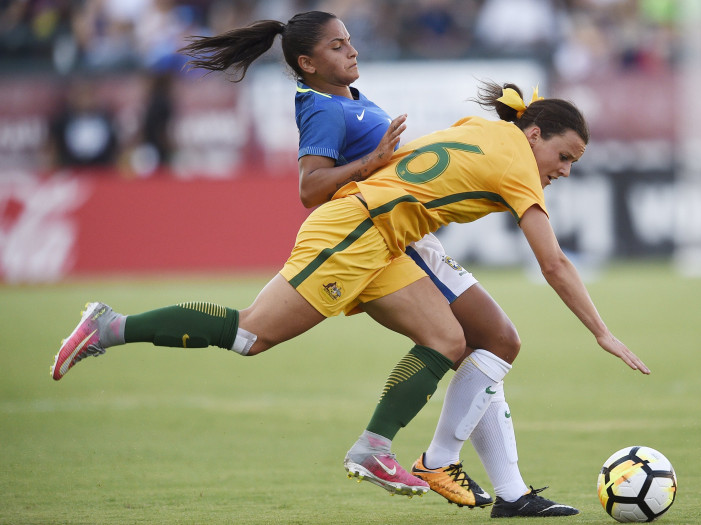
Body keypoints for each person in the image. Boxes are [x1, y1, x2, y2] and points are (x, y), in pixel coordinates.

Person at [50, 17, 650, 521]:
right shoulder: (500, 155)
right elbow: (553, 261)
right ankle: (111, 325)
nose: (564, 170)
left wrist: (384, 176)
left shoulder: (483, 129)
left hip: (391, 239)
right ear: (535, 133)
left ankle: (391, 453)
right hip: (358, 233)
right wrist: (601, 331)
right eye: (564, 157)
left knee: (454, 337)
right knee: (250, 334)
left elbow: (418, 168)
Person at [176, 11, 584, 516]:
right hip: (382, 234)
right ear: (308, 62)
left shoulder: (353, 99)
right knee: (257, 335)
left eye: (350, 41)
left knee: (488, 341)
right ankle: (428, 460)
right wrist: (371, 168)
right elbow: (312, 188)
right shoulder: (323, 106)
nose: (353, 51)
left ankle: (505, 491)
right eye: (338, 45)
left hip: (403, 233)